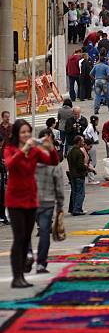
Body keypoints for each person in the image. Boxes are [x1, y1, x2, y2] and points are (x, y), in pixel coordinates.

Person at [4, 119, 58, 288]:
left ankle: (22, 276)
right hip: (15, 199)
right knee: (18, 238)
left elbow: (53, 161)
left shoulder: (35, 151)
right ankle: (17, 276)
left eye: (28, 132)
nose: (26, 135)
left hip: (31, 198)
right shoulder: (10, 149)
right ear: (16, 135)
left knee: (27, 237)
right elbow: (10, 165)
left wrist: (51, 148)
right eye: (23, 132)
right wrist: (25, 149)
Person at [34, 128, 64, 273]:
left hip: (34, 201)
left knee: (35, 231)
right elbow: (58, 184)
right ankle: (40, 262)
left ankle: (32, 257)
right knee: (44, 231)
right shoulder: (53, 162)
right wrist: (60, 205)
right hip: (43, 201)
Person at [67, 136, 87, 215]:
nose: (83, 143)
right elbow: (80, 166)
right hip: (79, 175)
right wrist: (86, 168)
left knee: (74, 193)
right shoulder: (79, 152)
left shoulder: (70, 152)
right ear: (78, 142)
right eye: (82, 141)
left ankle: (73, 209)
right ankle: (77, 209)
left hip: (72, 175)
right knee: (80, 193)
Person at [83, 115, 100, 185]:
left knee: (93, 161)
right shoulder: (90, 126)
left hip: (94, 145)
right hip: (92, 145)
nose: (98, 122)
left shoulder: (92, 126)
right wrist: (91, 139)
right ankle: (91, 179)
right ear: (95, 121)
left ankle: (91, 177)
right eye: (97, 121)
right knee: (92, 162)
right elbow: (85, 133)